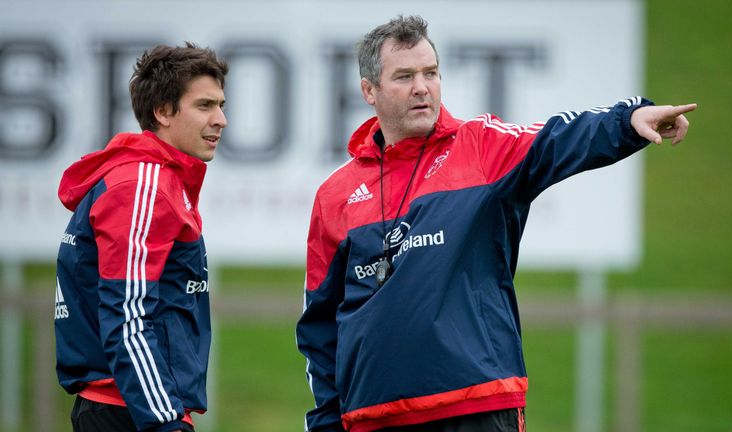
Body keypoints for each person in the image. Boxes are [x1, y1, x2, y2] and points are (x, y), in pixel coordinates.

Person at [296, 15, 695, 432]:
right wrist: (326, 421)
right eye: (404, 76)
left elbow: (558, 138)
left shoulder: (482, 147)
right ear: (369, 91)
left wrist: (628, 119)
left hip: (477, 408)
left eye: (430, 73)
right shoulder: (335, 195)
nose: (422, 87)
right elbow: (319, 326)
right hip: (373, 419)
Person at [55, 42, 228, 432]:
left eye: (221, 105)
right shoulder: (142, 185)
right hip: (130, 410)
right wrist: (165, 421)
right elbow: (127, 314)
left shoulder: (151, 181)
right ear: (162, 111)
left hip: (130, 405)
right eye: (204, 105)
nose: (221, 119)